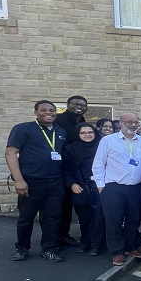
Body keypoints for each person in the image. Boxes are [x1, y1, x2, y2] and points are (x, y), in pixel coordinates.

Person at [6, 100, 68, 262]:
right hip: (31, 182)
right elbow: (11, 153)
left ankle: (49, 249)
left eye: (52, 110)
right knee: (26, 218)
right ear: (35, 112)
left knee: (52, 217)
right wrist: (18, 180)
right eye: (43, 110)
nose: (48, 113)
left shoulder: (60, 131)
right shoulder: (23, 129)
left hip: (55, 182)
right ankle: (22, 248)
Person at [92, 111, 141, 266]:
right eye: (129, 122)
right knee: (114, 220)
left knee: (134, 220)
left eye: (136, 122)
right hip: (113, 187)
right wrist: (100, 186)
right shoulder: (108, 141)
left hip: (137, 187)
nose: (133, 125)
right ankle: (117, 252)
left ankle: (130, 246)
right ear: (121, 123)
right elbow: (99, 163)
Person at [62, 123, 104, 256]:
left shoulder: (101, 146)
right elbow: (66, 169)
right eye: (83, 133)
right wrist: (72, 184)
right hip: (80, 186)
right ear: (78, 134)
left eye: (90, 132)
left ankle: (97, 244)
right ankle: (85, 242)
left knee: (99, 217)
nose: (87, 135)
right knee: (84, 217)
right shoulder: (70, 149)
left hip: (100, 186)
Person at [55, 95, 88, 248]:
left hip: (78, 167)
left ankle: (65, 234)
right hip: (61, 167)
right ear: (68, 105)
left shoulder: (82, 121)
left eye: (82, 105)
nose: (79, 107)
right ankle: (57, 236)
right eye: (75, 104)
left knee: (70, 206)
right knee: (60, 206)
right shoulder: (59, 121)